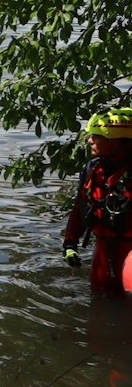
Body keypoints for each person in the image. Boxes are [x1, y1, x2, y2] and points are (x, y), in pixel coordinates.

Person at [64, 109, 132, 294]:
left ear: (118, 141)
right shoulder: (92, 169)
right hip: (103, 253)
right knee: (99, 306)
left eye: (97, 136)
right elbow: (80, 207)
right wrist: (70, 244)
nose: (90, 140)